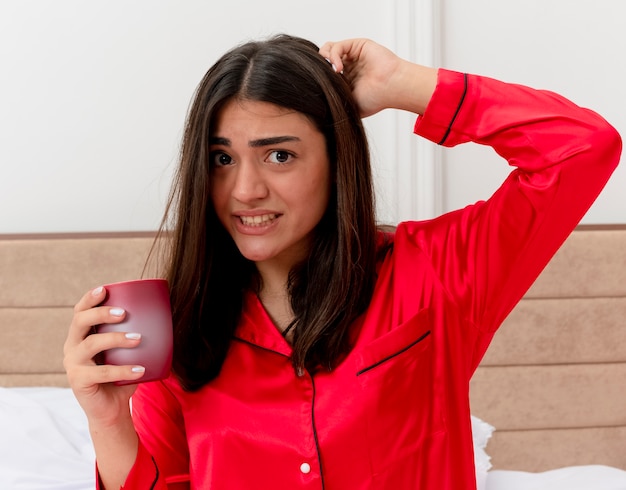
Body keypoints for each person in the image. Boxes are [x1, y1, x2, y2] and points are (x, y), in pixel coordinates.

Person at [63, 34, 621, 489]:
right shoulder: (177, 327)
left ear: (337, 158)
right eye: (221, 159)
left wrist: (404, 85)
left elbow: (581, 147)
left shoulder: (437, 272)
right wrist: (109, 421)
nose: (245, 189)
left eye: (279, 155)